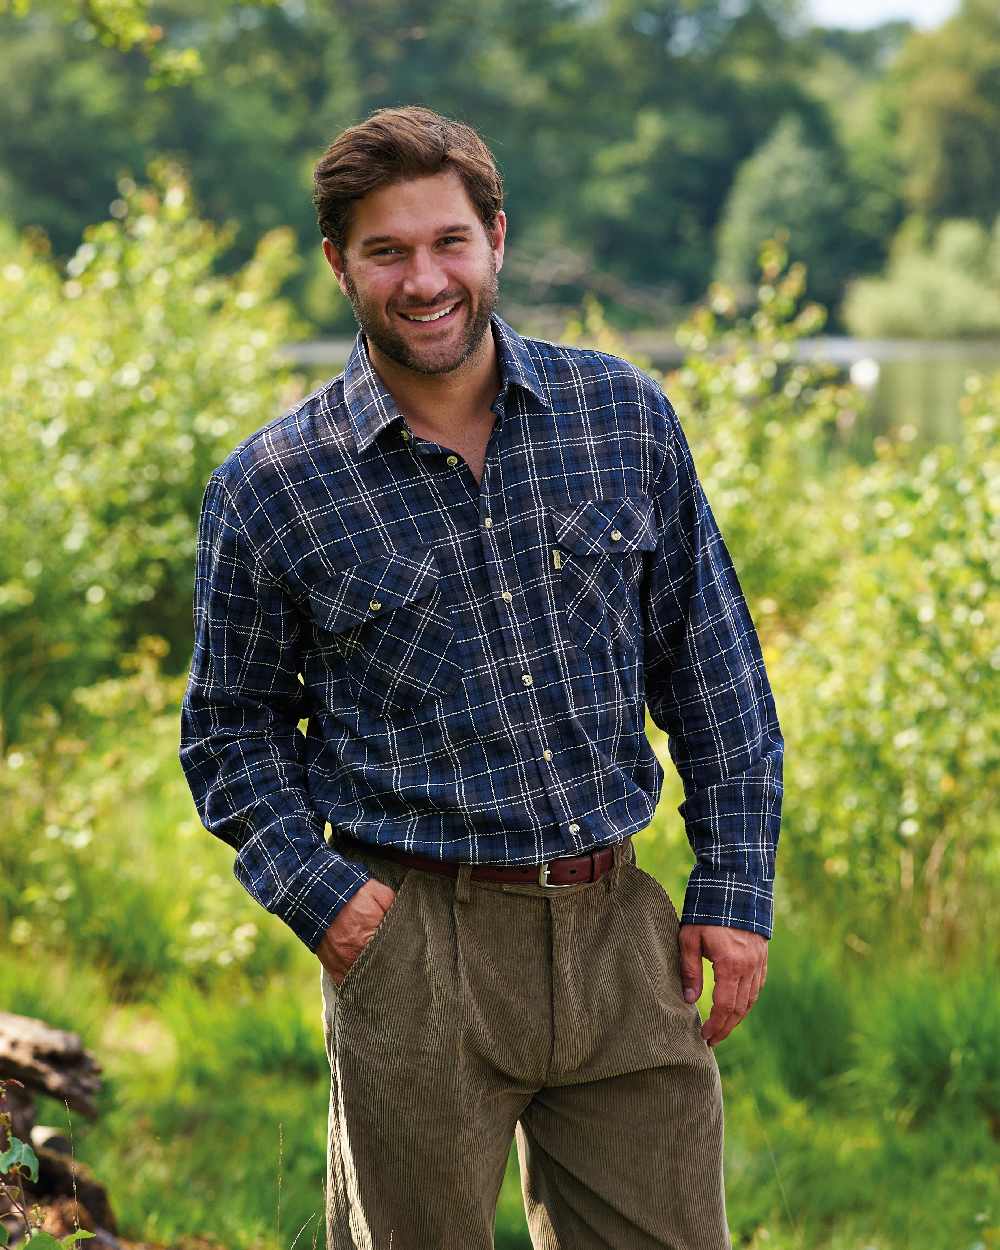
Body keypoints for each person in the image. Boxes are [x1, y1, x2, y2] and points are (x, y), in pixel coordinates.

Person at [178, 104, 784, 1250]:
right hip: (412, 944)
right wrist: (327, 901)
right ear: (337, 263)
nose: (424, 279)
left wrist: (733, 889)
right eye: (386, 250)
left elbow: (714, 673)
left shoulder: (620, 416)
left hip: (620, 935)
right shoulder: (273, 486)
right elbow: (228, 730)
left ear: (495, 238)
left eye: (447, 241)